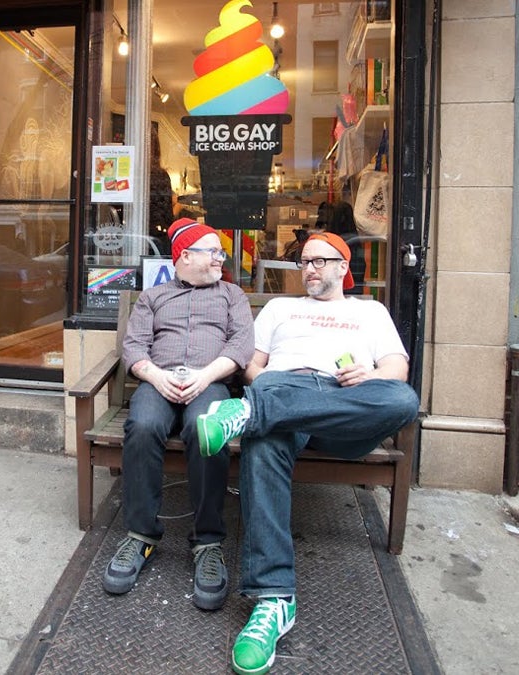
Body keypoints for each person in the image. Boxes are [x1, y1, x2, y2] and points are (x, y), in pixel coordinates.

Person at [195, 231, 420, 674]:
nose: (310, 269)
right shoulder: (281, 308)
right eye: (304, 262)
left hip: (344, 405)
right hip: (285, 391)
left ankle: (246, 414)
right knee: (265, 441)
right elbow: (251, 364)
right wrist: (274, 385)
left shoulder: (369, 311)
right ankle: (273, 601)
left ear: (343, 266)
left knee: (402, 400)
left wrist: (370, 372)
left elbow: (397, 370)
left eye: (320, 261)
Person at [102, 217, 255, 611]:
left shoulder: (232, 295)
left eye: (220, 252)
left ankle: (207, 541)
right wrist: (155, 375)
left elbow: (241, 345)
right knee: (144, 425)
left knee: (207, 430)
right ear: (185, 256)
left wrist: (205, 376)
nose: (221, 258)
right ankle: (141, 535)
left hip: (211, 382)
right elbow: (134, 346)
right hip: (158, 381)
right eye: (213, 252)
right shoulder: (153, 298)